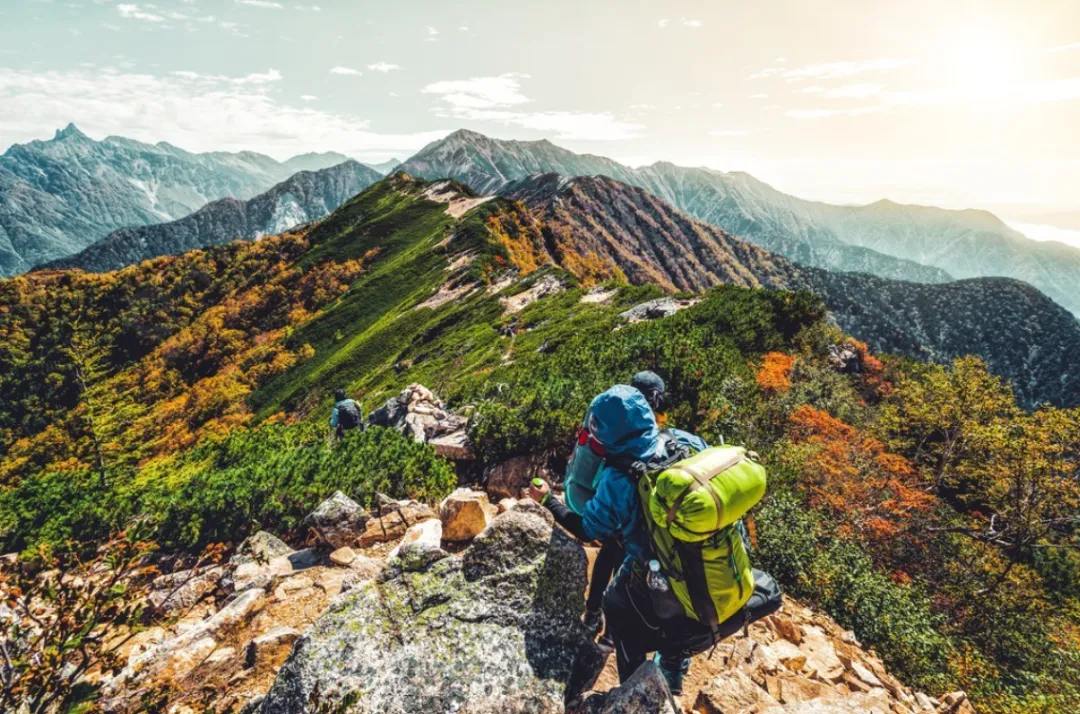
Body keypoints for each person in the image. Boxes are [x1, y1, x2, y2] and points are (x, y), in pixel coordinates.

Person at [530, 384, 707, 700]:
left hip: (661, 577)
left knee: (617, 606)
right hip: (706, 564)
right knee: (674, 623)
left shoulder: (618, 478)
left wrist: (547, 500)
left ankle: (635, 696)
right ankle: (671, 675)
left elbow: (587, 529)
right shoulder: (684, 440)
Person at [580, 372, 670, 637]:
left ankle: (592, 613)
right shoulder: (653, 425)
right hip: (635, 513)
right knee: (624, 568)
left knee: (607, 554)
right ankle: (611, 632)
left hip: (612, 499)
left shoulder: (618, 412)